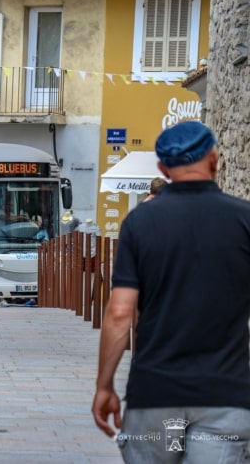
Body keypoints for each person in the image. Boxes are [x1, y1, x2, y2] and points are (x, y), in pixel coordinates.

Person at [92, 121, 250, 462]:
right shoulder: (244, 220)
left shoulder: (140, 223)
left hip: (155, 395)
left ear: (163, 168)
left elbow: (120, 313)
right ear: (215, 159)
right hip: (224, 396)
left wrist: (104, 386)